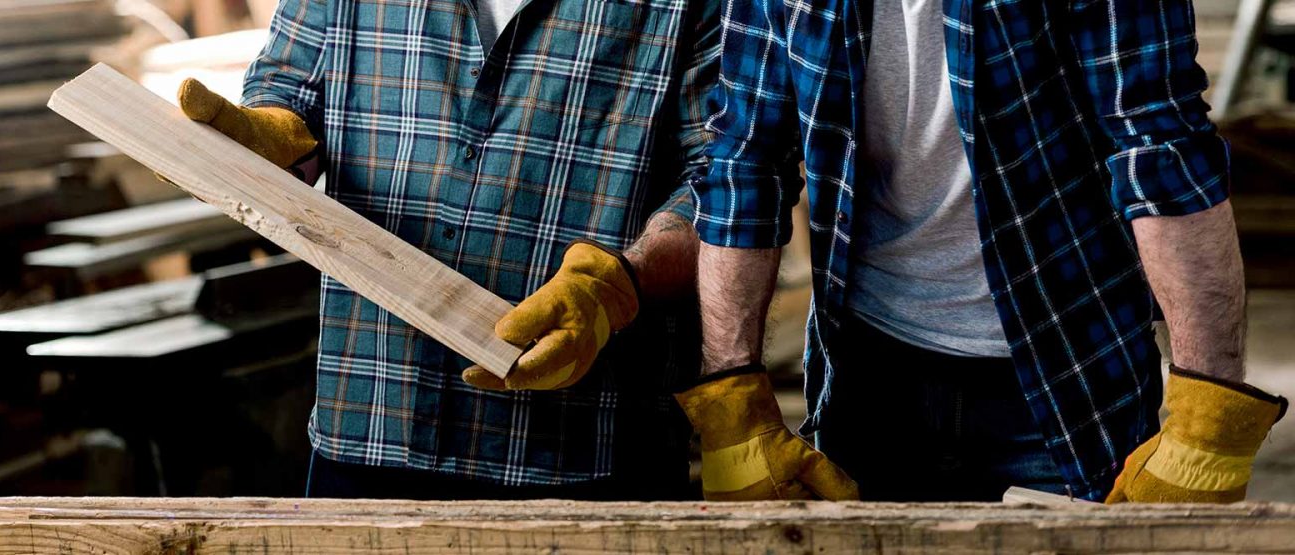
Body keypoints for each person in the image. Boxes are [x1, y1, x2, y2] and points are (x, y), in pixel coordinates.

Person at [684, 0, 1288, 502]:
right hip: (868, 373)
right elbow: (746, 157)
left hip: (1067, 377)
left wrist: (1209, 418)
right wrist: (731, 403)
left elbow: (1157, 144)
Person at [171, 0, 723, 499]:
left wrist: (617, 286)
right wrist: (265, 144)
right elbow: (290, 96)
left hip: (586, 451)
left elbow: (729, 186)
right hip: (370, 420)